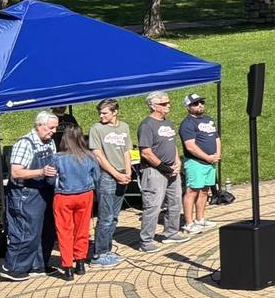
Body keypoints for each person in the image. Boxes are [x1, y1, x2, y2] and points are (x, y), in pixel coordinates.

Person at [0, 111, 59, 280]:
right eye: (50, 127)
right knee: (26, 231)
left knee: (46, 230)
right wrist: (41, 171)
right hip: (25, 194)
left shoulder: (50, 142)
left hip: (44, 191)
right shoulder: (24, 144)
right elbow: (15, 172)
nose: (53, 131)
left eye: (55, 128)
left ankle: (38, 265)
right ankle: (13, 268)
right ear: (39, 125)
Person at [136, 91, 183, 252]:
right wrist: (164, 167)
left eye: (168, 103)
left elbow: (173, 144)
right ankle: (146, 241)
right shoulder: (146, 125)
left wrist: (177, 162)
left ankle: (171, 232)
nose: (168, 106)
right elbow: (146, 152)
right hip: (154, 171)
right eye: (164, 104)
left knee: (175, 201)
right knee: (153, 206)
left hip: (172, 168)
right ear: (153, 106)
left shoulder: (168, 123)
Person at [88, 99, 132, 267]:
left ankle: (107, 249)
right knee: (105, 216)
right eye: (100, 113)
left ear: (115, 112)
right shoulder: (96, 129)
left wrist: (127, 172)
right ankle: (99, 254)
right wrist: (115, 174)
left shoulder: (124, 127)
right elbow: (98, 156)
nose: (101, 116)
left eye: (105, 113)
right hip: (106, 176)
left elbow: (127, 151)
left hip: (123, 174)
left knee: (114, 216)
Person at [49, 125, 97, 281]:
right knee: (82, 229)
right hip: (85, 195)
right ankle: (81, 262)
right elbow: (97, 176)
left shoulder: (57, 158)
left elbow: (50, 179)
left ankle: (67, 267)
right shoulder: (89, 156)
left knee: (64, 232)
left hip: (64, 196)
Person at [178, 93, 220, 235]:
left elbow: (217, 138)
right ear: (188, 107)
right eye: (196, 103)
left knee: (204, 191)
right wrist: (206, 157)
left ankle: (200, 219)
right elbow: (190, 146)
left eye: (201, 102)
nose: (200, 105)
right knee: (192, 191)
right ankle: (188, 223)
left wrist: (217, 154)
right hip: (195, 162)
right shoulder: (187, 124)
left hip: (210, 162)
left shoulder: (209, 120)